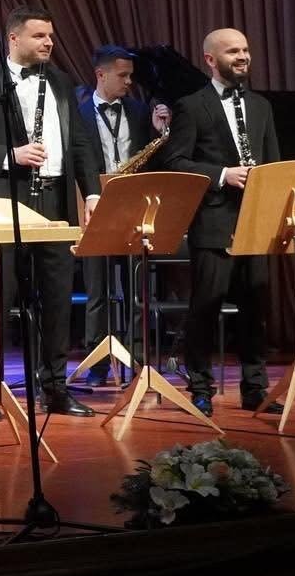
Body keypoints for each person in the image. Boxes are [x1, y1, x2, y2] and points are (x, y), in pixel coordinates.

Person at [0, 5, 103, 419]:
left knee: (56, 297)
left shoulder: (61, 81)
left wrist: (91, 193)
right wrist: (10, 155)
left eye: (50, 36)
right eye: (39, 36)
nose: (49, 43)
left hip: (56, 201)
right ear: (14, 38)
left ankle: (55, 388)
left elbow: (80, 144)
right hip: (7, 202)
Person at [164, 28, 280, 416]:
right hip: (214, 221)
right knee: (205, 309)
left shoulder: (262, 106)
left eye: (245, 49)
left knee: (255, 311)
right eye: (233, 51)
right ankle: (200, 387)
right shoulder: (192, 106)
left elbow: (273, 162)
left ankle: (255, 389)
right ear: (211, 60)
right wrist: (222, 174)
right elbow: (175, 161)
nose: (242, 56)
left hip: (255, 221)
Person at [77, 45, 169, 385]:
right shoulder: (78, 114)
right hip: (95, 206)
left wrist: (159, 131)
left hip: (132, 206)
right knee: (97, 292)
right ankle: (98, 364)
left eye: (130, 75)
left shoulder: (140, 111)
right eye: (123, 75)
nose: (129, 82)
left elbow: (154, 159)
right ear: (101, 75)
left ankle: (137, 358)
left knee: (136, 289)